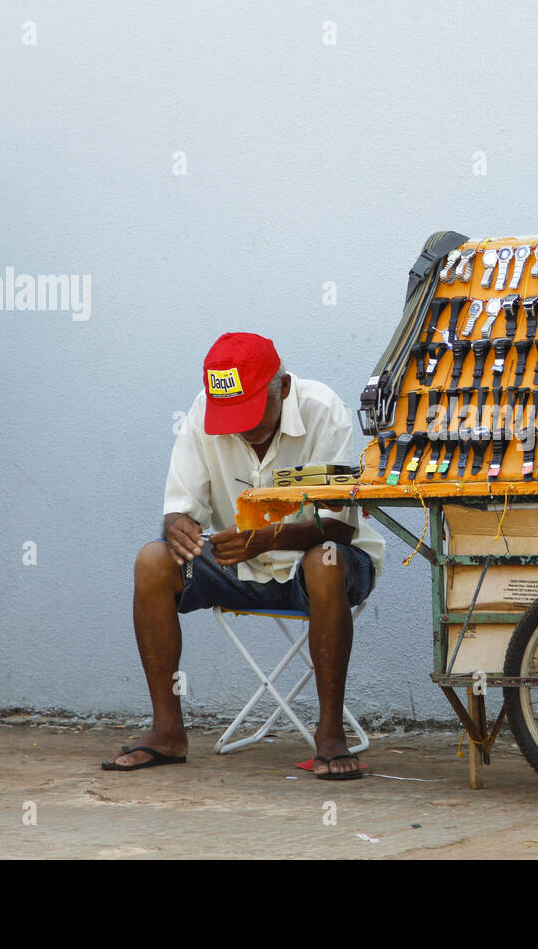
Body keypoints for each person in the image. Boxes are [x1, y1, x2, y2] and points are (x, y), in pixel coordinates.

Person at [103, 332, 384, 779]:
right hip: (240, 560)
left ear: (284, 387)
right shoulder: (202, 411)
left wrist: (270, 538)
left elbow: (340, 524)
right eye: (232, 416)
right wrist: (179, 526)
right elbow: (179, 508)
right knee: (152, 561)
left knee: (325, 559)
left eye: (254, 411)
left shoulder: (323, 409)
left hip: (318, 566)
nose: (245, 427)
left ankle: (330, 734)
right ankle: (167, 732)